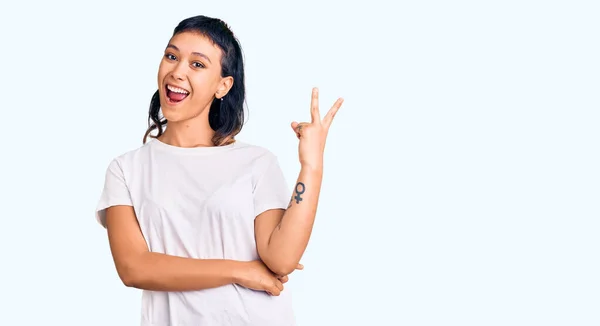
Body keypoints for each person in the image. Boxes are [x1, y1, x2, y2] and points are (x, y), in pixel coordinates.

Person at [95, 14, 343, 326]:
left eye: (197, 64)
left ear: (222, 85)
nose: (177, 71)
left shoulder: (256, 162)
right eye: (172, 56)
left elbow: (281, 258)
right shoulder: (126, 169)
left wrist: (312, 165)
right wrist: (240, 270)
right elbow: (134, 268)